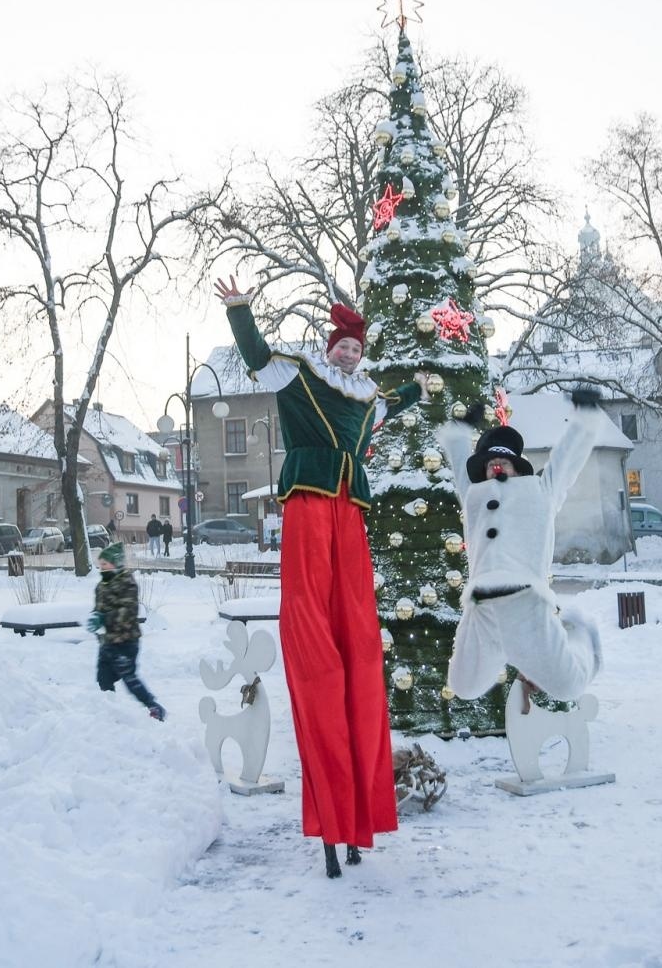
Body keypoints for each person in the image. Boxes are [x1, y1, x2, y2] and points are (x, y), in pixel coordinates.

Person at [215, 275, 426, 879]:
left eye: (358, 350)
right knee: (317, 648)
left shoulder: (364, 399)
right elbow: (256, 356)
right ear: (330, 345)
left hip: (350, 519)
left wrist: (421, 385)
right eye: (344, 346)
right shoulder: (300, 374)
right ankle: (332, 826)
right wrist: (240, 309)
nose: (350, 354)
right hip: (309, 510)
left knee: (359, 646)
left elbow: (395, 403)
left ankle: (355, 821)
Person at [437, 390, 607, 703]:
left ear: (518, 467)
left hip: (526, 605)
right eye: (490, 463)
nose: (496, 467)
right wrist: (459, 431)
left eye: (504, 462)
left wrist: (586, 416)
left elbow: (566, 461)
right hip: (482, 609)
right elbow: (460, 463)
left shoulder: (540, 492)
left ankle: (581, 633)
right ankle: (508, 654)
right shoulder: (474, 496)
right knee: (463, 687)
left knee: (568, 687)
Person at [89, 543, 165, 721]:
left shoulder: (127, 582)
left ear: (116, 563)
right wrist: (94, 619)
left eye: (105, 564)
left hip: (126, 641)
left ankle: (153, 705)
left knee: (129, 678)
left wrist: (104, 618)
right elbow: (98, 609)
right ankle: (110, 712)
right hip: (107, 641)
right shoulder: (101, 586)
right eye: (100, 565)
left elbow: (128, 611)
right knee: (103, 678)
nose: (102, 568)